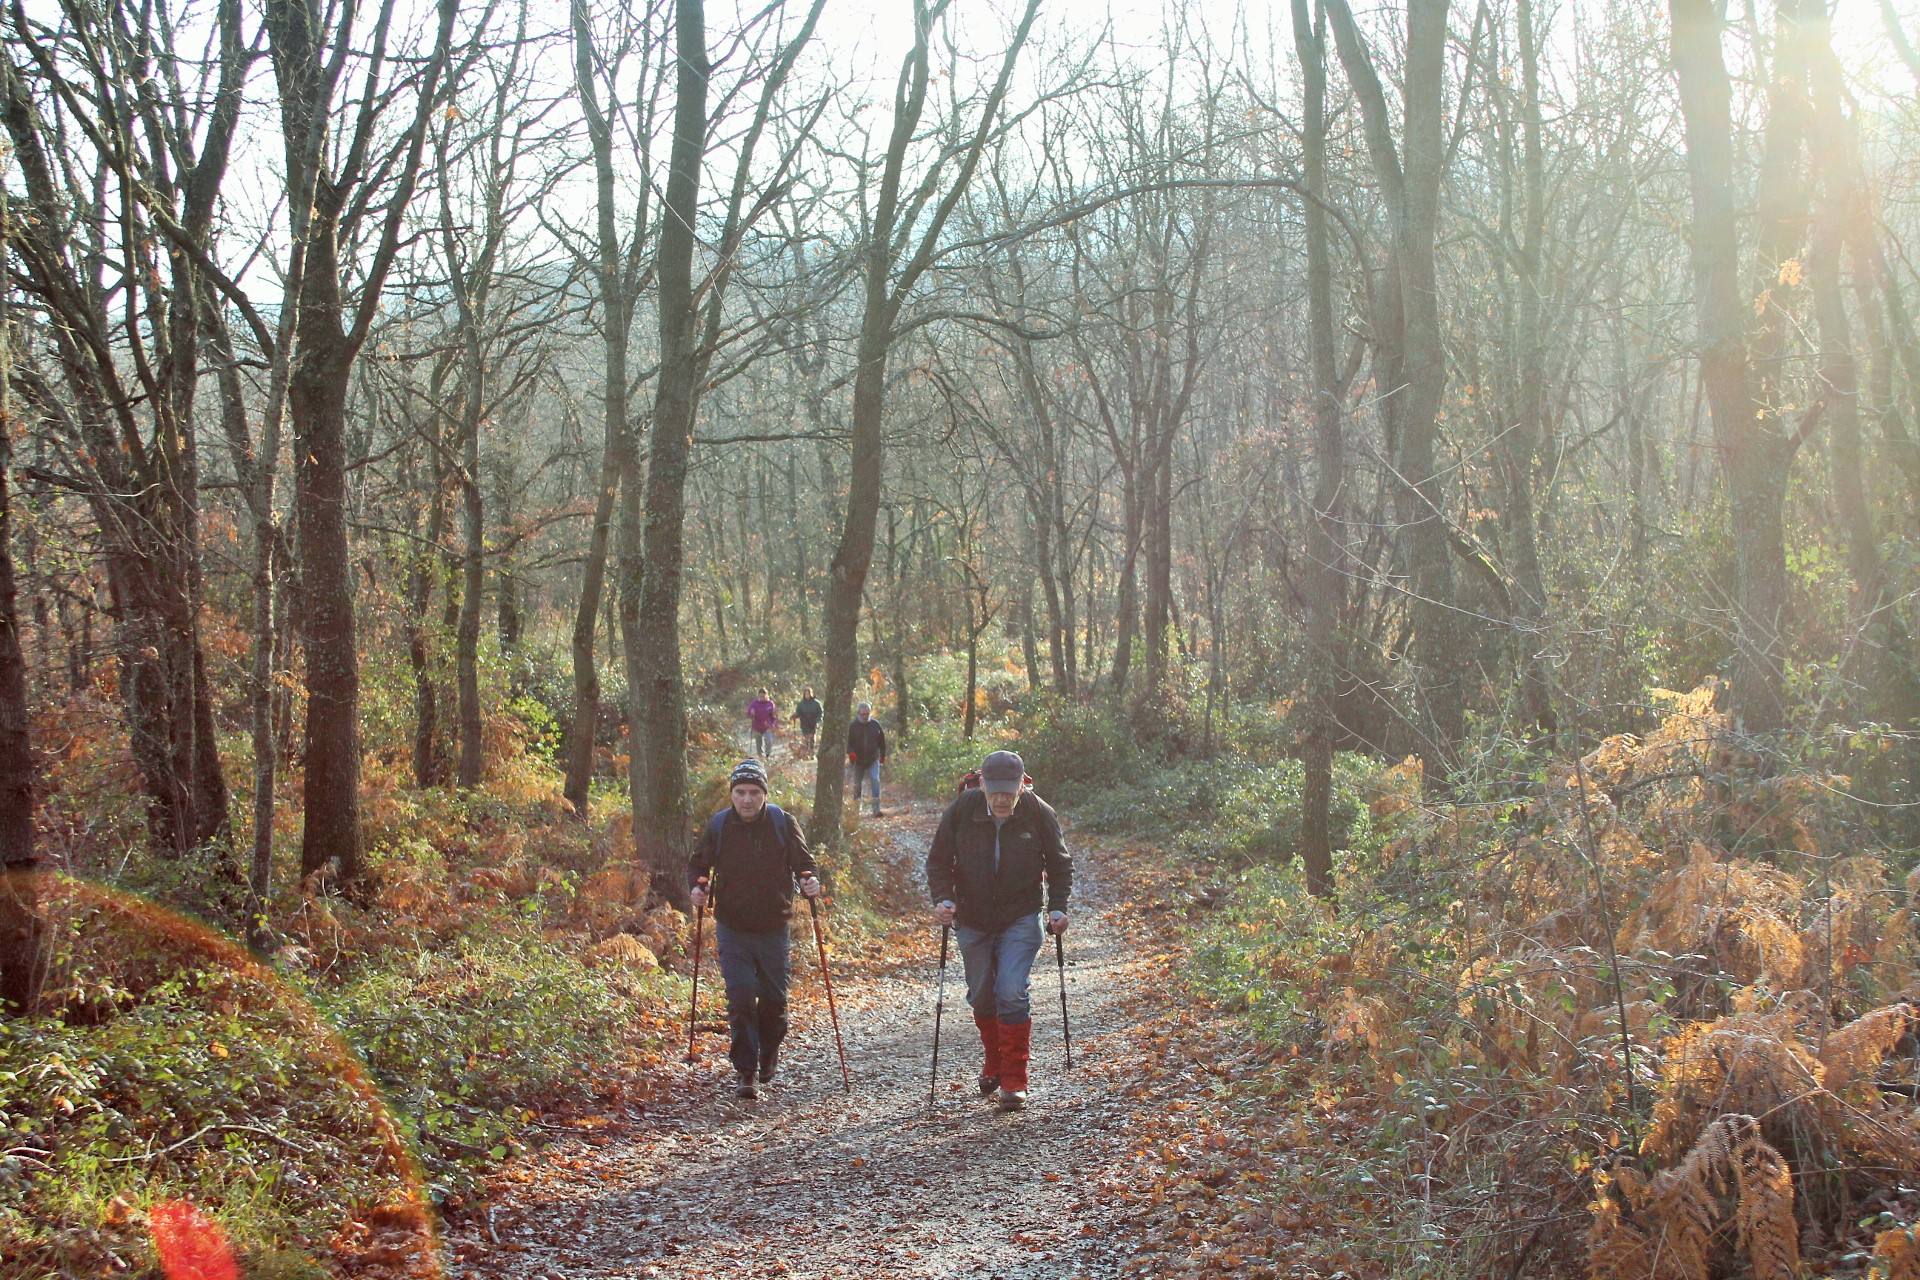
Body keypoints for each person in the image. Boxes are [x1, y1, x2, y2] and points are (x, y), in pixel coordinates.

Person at [926, 750, 1071, 1111]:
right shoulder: (963, 810)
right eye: (996, 791)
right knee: (981, 996)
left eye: (1010, 791)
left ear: (1022, 785)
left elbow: (1059, 864)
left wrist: (1057, 907)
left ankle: (1014, 1079)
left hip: (1020, 916)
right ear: (984, 784)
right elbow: (938, 862)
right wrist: (944, 899)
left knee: (1010, 990)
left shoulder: (1038, 812)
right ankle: (994, 1060)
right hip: (973, 919)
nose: (1003, 799)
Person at [688, 758, 821, 1100]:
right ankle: (746, 1071)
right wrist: (697, 887)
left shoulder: (782, 823)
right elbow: (699, 862)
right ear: (732, 794)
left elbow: (804, 862)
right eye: (740, 792)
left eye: (753, 793)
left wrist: (810, 881)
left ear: (764, 794)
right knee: (742, 995)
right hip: (732, 926)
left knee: (775, 1000)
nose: (746, 799)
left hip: (774, 924)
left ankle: (768, 1051)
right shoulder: (720, 825)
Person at [846, 701, 887, 817]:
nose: (865, 716)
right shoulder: (852, 726)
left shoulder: (875, 725)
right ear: (858, 713)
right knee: (857, 784)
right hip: (857, 760)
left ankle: (876, 809)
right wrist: (851, 752)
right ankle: (855, 810)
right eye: (863, 714)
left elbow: (882, 743)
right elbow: (846, 743)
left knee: (875, 780)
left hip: (873, 759)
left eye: (867, 713)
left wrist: (882, 757)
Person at [745, 689, 778, 759]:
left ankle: (767, 755)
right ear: (758, 696)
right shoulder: (754, 703)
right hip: (757, 726)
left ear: (766, 695)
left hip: (767, 726)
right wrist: (751, 712)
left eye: (763, 696)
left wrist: (773, 724)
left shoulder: (770, 704)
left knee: (769, 741)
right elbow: (748, 713)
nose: (762, 698)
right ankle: (760, 756)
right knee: (758, 743)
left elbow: (774, 716)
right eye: (760, 696)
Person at [792, 687, 823, 755]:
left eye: (808, 694)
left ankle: (811, 752)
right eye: (805, 694)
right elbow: (798, 712)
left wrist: (818, 720)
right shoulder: (801, 704)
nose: (807, 695)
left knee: (812, 738)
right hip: (804, 723)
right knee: (805, 738)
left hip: (813, 723)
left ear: (811, 694)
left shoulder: (816, 703)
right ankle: (806, 752)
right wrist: (795, 716)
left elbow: (820, 713)